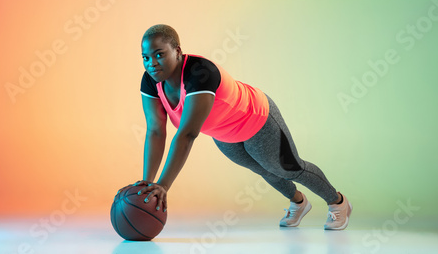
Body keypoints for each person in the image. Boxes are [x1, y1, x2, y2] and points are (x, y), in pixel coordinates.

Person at [118, 24, 352, 230]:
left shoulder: (199, 73)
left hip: (255, 118)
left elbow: (187, 134)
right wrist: (148, 183)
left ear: (177, 51)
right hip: (223, 132)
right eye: (145, 57)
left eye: (159, 54)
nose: (152, 63)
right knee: (263, 169)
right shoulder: (150, 80)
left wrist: (163, 186)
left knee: (289, 168)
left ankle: (338, 202)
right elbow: (156, 130)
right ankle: (299, 203)